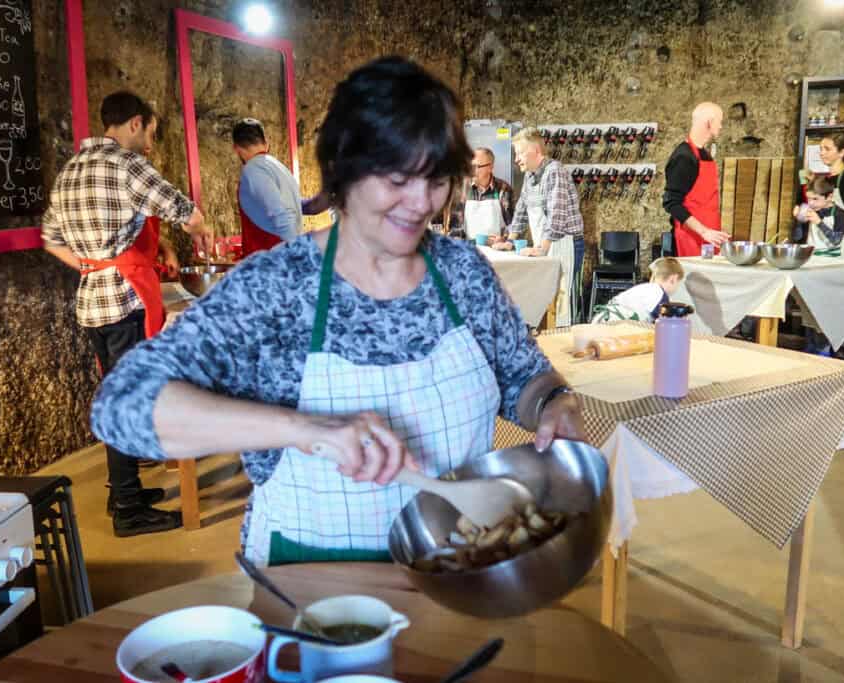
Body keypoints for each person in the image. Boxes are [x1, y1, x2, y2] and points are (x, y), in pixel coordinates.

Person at [90, 56, 585, 566]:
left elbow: (524, 377)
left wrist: (553, 405)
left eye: (436, 178)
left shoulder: (463, 272)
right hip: (312, 587)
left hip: (457, 570)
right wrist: (304, 429)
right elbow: (121, 405)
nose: (420, 202)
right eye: (397, 178)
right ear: (342, 173)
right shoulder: (279, 287)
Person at [42, 90, 211, 537]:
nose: (151, 144)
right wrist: (200, 230)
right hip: (124, 301)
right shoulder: (126, 165)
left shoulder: (71, 170)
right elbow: (186, 213)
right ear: (134, 124)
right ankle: (130, 511)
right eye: (152, 132)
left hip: (93, 299)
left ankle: (124, 490)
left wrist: (95, 266)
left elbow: (50, 240)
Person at [506, 128, 585, 326]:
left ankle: (565, 346)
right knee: (548, 301)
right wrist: (510, 241)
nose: (517, 159)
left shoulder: (554, 171)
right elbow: (522, 210)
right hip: (547, 245)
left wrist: (542, 247)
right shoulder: (530, 176)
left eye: (520, 153)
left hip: (564, 244)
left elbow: (557, 214)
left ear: (535, 151)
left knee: (563, 301)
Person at [663, 102, 730, 257]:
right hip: (690, 239)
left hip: (709, 237)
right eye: (719, 121)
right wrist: (703, 231)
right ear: (709, 122)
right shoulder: (684, 157)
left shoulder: (704, 155)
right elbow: (671, 203)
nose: (721, 126)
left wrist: (711, 231)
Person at [232, 118, 302, 257]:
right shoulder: (278, 166)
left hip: (269, 262)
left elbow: (281, 214)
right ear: (266, 143)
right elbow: (292, 204)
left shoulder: (253, 170)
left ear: (236, 148)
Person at [448, 147, 514, 244]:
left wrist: (504, 239)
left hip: (497, 251)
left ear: (490, 167)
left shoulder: (503, 189)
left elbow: (512, 225)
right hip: (468, 249)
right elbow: (455, 227)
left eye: (477, 166)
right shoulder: (461, 189)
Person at [591, 257, 684, 323]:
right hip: (613, 325)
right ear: (673, 279)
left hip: (602, 319)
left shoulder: (647, 288)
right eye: (678, 283)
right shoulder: (659, 294)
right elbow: (666, 325)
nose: (677, 288)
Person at [792, 174, 844, 259]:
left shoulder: (839, 213)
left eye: (815, 199)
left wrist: (819, 222)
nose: (810, 203)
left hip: (831, 258)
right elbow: (797, 237)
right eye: (809, 199)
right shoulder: (812, 210)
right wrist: (799, 219)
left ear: (829, 197)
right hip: (812, 257)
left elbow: (836, 241)